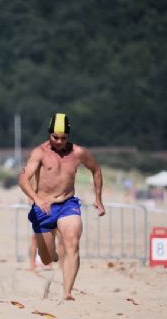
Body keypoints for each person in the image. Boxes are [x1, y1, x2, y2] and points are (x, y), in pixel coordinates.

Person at [18, 113, 105, 300]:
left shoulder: (78, 152)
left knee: (72, 242)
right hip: (43, 207)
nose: (59, 141)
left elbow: (96, 169)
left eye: (63, 138)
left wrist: (98, 198)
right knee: (47, 258)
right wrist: (36, 198)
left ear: (69, 136)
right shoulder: (39, 152)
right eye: (55, 137)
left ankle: (67, 292)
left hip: (67, 203)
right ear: (49, 134)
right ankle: (53, 254)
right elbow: (23, 179)